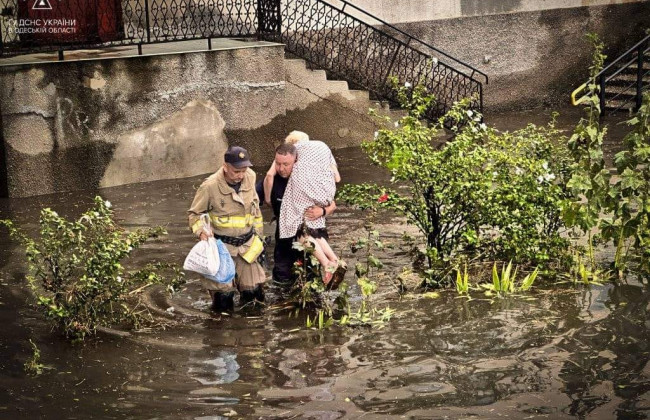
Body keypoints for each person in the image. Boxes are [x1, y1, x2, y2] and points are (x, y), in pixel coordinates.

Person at [188, 146, 265, 312]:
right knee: (223, 302)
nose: (241, 175)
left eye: (244, 170)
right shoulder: (210, 187)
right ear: (225, 166)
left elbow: (256, 210)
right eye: (236, 171)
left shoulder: (250, 177)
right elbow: (194, 215)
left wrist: (260, 239)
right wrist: (202, 231)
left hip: (248, 247)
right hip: (222, 249)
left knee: (255, 298)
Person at [263, 131, 345, 287]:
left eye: (286, 164)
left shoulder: (302, 175)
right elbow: (336, 178)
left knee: (302, 231)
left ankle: (328, 263)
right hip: (286, 250)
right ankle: (333, 261)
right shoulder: (318, 162)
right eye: (279, 164)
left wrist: (322, 211)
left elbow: (332, 204)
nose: (282, 168)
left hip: (307, 248)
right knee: (308, 230)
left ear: (295, 158)